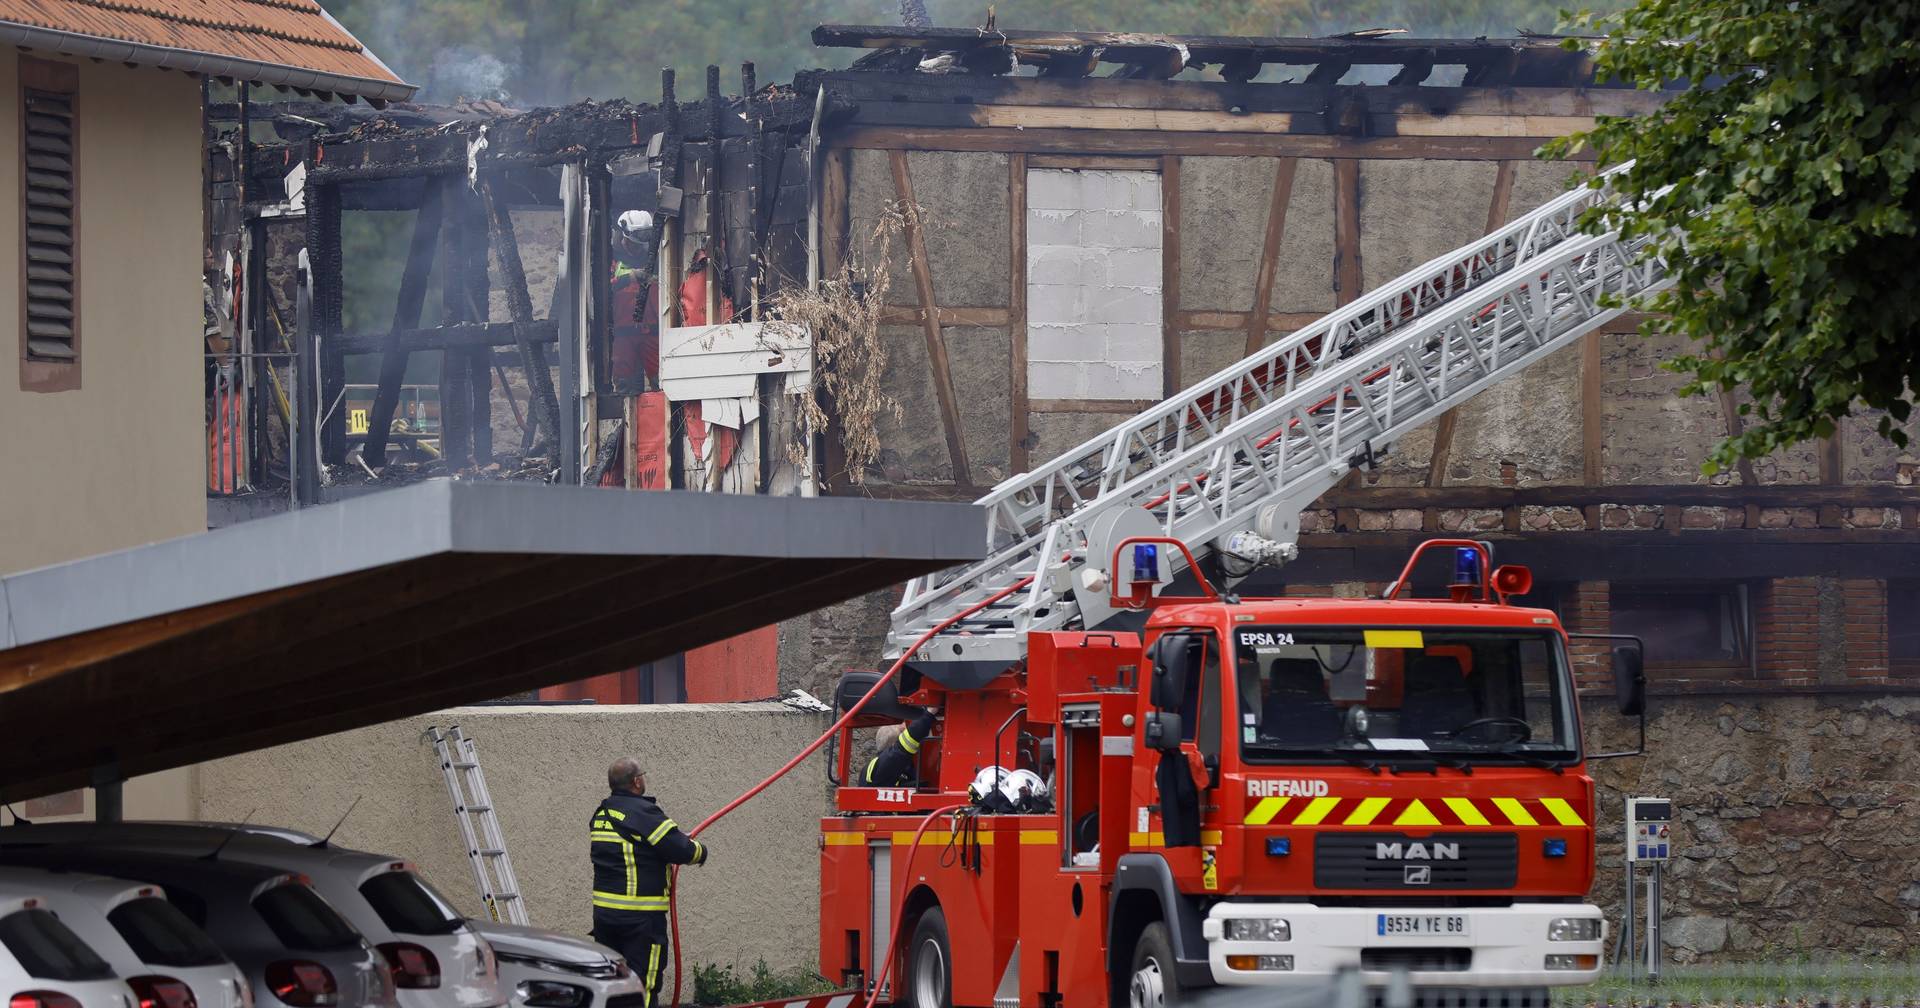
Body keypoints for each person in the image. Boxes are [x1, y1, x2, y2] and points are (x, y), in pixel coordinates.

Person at [590, 756, 708, 1008]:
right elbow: (682, 850)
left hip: (605, 919)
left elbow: (640, 847)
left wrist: (672, 840)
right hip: (639, 922)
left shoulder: (602, 813)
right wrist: (700, 851)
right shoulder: (643, 813)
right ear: (636, 781)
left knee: (612, 984)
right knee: (642, 986)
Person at [861, 709, 935, 788]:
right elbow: (900, 751)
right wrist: (928, 714)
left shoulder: (895, 766)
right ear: (895, 744)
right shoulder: (882, 766)